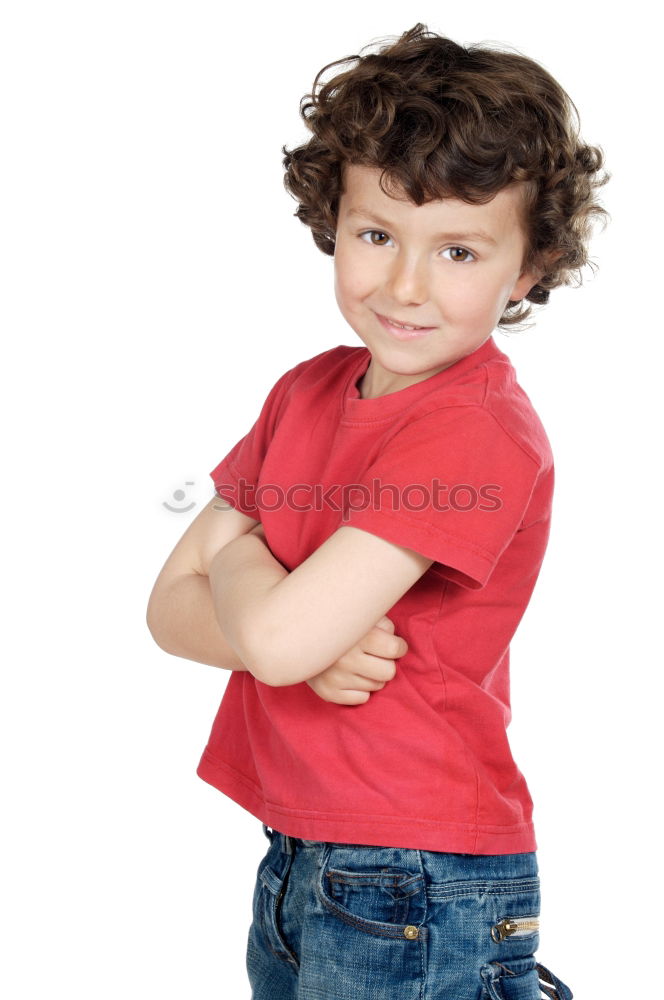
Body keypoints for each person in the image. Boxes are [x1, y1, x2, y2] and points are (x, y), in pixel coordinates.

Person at [146, 22, 609, 1000]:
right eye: (375, 234)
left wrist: (248, 560)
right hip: (303, 850)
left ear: (527, 268)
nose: (403, 284)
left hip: (416, 874)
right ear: (332, 220)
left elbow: (263, 637)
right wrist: (280, 611)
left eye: (457, 249)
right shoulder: (306, 391)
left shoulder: (475, 430)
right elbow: (166, 611)